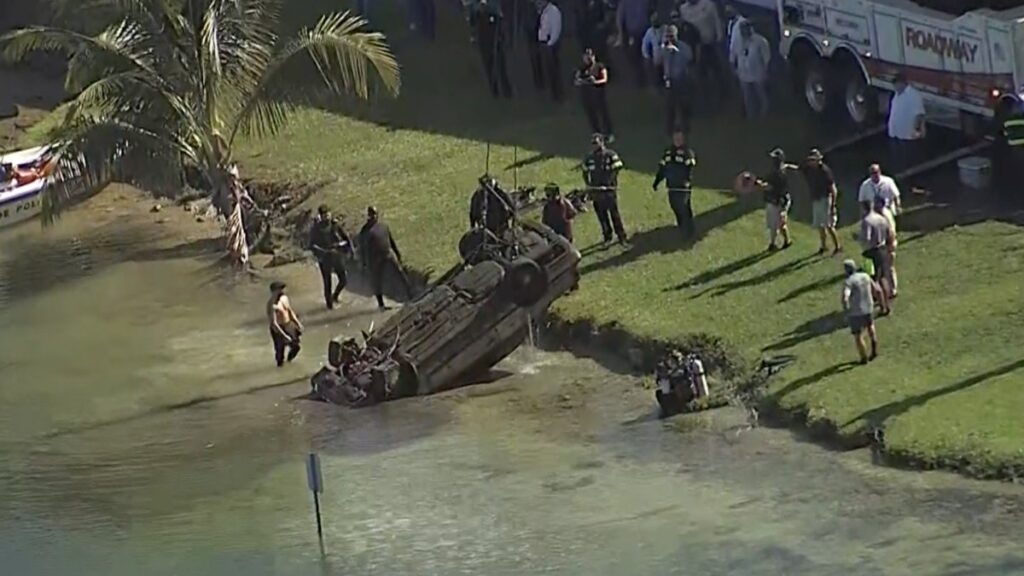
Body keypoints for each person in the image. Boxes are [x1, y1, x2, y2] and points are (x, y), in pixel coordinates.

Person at [359, 206, 414, 310]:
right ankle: (381, 305)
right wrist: (364, 263)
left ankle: (410, 294)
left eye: (375, 214)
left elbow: (391, 240)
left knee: (400, 272)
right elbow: (363, 248)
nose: (374, 217)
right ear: (369, 216)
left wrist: (397, 253)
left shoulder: (383, 226)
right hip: (374, 259)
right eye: (372, 215)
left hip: (388, 254)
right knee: (377, 281)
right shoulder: (365, 231)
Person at [582, 133, 628, 245]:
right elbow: (584, 171)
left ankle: (621, 236)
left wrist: (609, 183)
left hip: (609, 191)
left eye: (596, 143)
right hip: (596, 192)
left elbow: (617, 169)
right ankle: (607, 236)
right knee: (602, 217)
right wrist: (589, 185)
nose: (594, 145)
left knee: (614, 215)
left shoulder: (610, 155)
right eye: (593, 143)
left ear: (602, 142)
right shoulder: (589, 158)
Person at [677, 0, 725, 106]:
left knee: (717, 70)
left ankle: (722, 95)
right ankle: (705, 98)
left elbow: (716, 21)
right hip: (694, 47)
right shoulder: (683, 9)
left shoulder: (709, 5)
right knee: (700, 73)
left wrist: (719, 38)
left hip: (710, 44)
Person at [652, 129, 697, 238]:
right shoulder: (668, 152)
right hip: (671, 185)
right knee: (674, 206)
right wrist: (657, 182)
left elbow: (689, 168)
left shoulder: (687, 152)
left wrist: (686, 181)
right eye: (675, 138)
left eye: (679, 138)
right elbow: (662, 169)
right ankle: (681, 225)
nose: (677, 140)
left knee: (684, 207)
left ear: (683, 139)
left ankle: (689, 231)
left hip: (683, 186)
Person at [308, 204, 352, 310]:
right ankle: (329, 307)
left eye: (327, 214)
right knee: (327, 283)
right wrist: (321, 252)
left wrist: (349, 249)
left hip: (336, 255)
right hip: (324, 257)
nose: (326, 217)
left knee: (344, 280)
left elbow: (346, 238)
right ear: (320, 216)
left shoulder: (335, 225)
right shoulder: (316, 229)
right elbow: (311, 245)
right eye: (324, 215)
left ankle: (335, 296)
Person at [799, 148, 842, 255]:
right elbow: (798, 169)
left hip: (825, 199)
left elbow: (833, 188)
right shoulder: (809, 169)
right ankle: (824, 246)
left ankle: (838, 246)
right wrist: (787, 166)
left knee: (829, 225)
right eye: (811, 160)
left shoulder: (825, 171)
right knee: (820, 225)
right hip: (816, 199)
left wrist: (833, 205)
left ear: (819, 160)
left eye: (814, 160)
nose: (811, 162)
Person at [887, 72, 926, 189]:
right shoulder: (897, 94)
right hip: (896, 134)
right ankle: (902, 182)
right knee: (898, 161)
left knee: (909, 161)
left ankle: (912, 184)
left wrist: (916, 130)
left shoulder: (913, 95)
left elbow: (919, 114)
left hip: (908, 135)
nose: (895, 87)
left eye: (896, 84)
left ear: (902, 83)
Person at [754, 148, 797, 252]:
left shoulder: (778, 174)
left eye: (774, 158)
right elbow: (788, 166)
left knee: (779, 224)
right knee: (775, 224)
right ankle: (776, 243)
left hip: (779, 202)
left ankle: (784, 242)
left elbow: (769, 186)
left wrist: (758, 184)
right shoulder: (781, 169)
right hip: (774, 200)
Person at [841, 259, 881, 364]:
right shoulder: (865, 276)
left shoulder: (849, 282)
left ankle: (864, 358)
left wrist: (846, 309)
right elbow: (876, 289)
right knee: (871, 327)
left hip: (855, 312)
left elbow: (846, 297)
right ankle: (874, 349)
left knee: (858, 336)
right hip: (868, 307)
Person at [470, 0, 513, 98]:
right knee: (487, 62)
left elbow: (498, 9)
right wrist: (477, 9)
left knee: (500, 62)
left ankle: (506, 90)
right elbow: (472, 12)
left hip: (494, 28)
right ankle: (494, 90)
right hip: (481, 29)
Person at [858, 199, 894, 311]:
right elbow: (889, 233)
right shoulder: (881, 218)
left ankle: (882, 305)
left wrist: (858, 238)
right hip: (882, 250)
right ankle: (888, 304)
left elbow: (867, 239)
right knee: (883, 278)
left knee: (872, 280)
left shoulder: (866, 221)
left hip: (870, 253)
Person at [731, 20, 771, 119]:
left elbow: (766, 58)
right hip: (743, 74)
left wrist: (766, 71)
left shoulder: (760, 41)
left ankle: (764, 115)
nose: (744, 31)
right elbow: (733, 56)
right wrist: (734, 69)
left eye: (746, 29)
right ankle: (750, 116)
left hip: (758, 73)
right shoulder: (737, 40)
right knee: (747, 97)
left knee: (761, 95)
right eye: (742, 29)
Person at [574, 48, 615, 141]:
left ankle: (609, 133)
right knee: (592, 116)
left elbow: (604, 79)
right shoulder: (581, 69)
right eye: (586, 56)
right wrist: (584, 81)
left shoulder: (600, 66)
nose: (588, 58)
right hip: (587, 97)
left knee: (604, 115)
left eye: (590, 56)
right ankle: (597, 135)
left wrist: (595, 81)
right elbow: (576, 80)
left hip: (599, 95)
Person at [661, 24, 694, 135]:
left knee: (683, 104)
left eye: (672, 36)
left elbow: (689, 57)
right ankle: (669, 130)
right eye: (668, 36)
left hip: (681, 79)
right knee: (669, 106)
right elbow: (657, 59)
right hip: (669, 80)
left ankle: (686, 127)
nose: (670, 39)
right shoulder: (664, 48)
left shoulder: (684, 47)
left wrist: (676, 51)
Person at [266, 281, 304, 367]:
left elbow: (290, 311)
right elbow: (273, 323)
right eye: (280, 289)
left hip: (288, 325)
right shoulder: (271, 305)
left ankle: (289, 361)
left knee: (296, 346)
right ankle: (281, 367)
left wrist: (298, 323)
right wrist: (284, 336)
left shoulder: (284, 298)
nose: (282, 291)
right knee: (280, 353)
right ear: (274, 291)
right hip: (278, 328)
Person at [615, 0, 652, 88]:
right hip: (633, 33)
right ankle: (641, 77)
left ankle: (642, 78)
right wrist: (621, 34)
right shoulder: (625, 2)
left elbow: (620, 18)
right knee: (635, 56)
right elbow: (620, 18)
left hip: (642, 32)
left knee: (640, 56)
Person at [536, 0, 563, 101]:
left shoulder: (553, 12)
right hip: (545, 43)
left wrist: (550, 43)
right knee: (549, 71)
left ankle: (558, 94)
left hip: (550, 45)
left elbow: (556, 29)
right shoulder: (544, 12)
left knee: (554, 70)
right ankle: (554, 94)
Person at [641, 13, 666, 86]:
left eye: (656, 19)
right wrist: (647, 57)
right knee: (658, 80)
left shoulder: (666, 29)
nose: (655, 21)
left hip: (667, 59)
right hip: (656, 59)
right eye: (653, 20)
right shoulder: (650, 32)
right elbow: (644, 45)